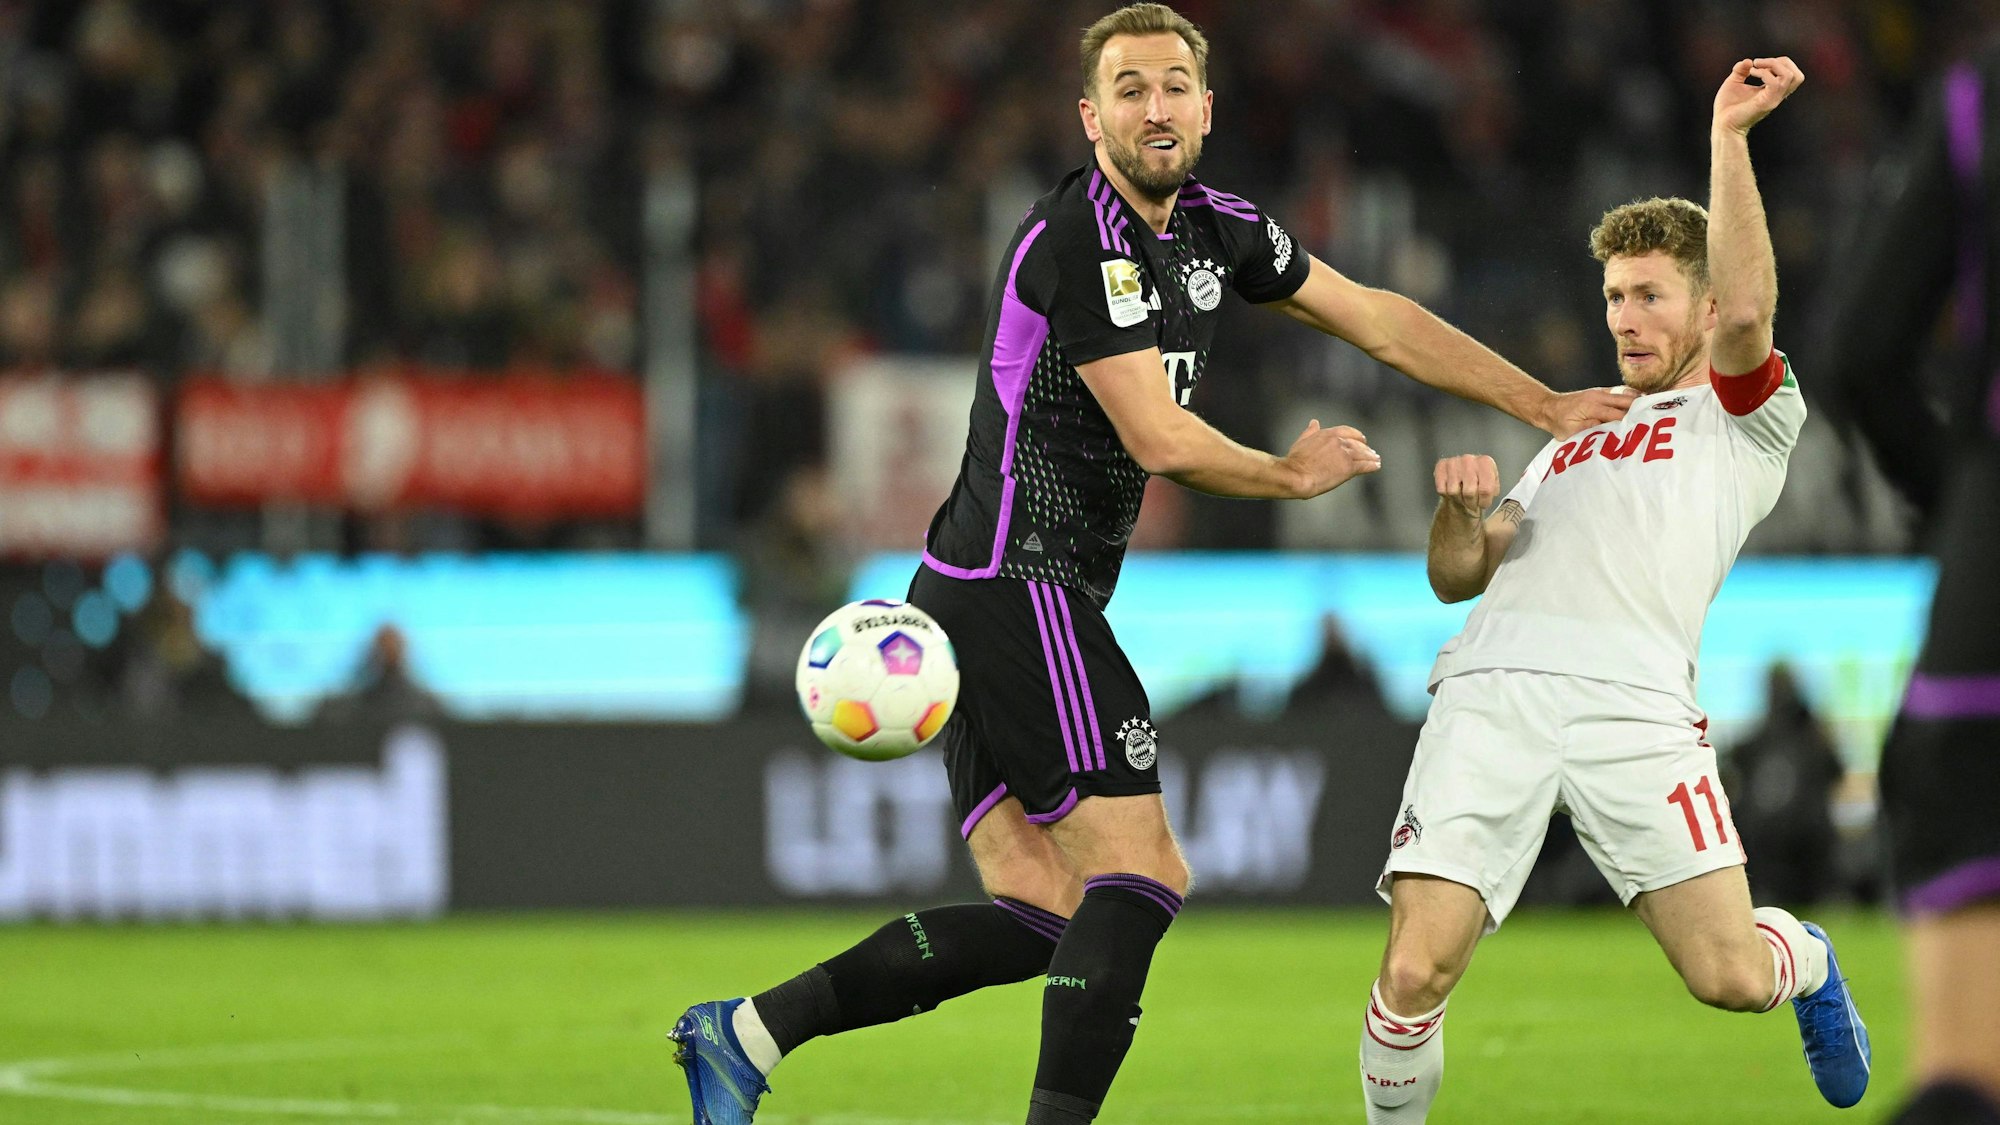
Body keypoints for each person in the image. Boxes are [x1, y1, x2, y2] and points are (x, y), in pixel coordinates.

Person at [670, 5, 1627, 1124]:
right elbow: (1158, 438)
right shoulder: (1074, 238)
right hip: (1017, 583)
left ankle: (745, 1035)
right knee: (1143, 872)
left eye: (1174, 86)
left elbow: (1373, 317)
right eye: (1128, 90)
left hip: (976, 590)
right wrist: (1287, 474)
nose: (1155, 107)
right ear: (1091, 118)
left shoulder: (1221, 229)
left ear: (1207, 109)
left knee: (1043, 912)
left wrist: (1540, 401)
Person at [1358, 58, 1873, 1123]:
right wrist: (1460, 515)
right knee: (1412, 970)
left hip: (1635, 707)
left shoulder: (1743, 418)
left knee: (1730, 976)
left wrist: (1728, 136)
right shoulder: (1571, 430)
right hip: (1493, 691)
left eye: (1648, 296)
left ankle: (1807, 957)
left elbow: (1749, 318)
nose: (1623, 318)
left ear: (1703, 303)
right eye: (1612, 297)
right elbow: (1458, 576)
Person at [1816, 39, 2000, 1125]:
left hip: (1988, 625)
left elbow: (1859, 354)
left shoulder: (1980, 97)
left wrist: (1959, 506)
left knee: (1965, 1086)